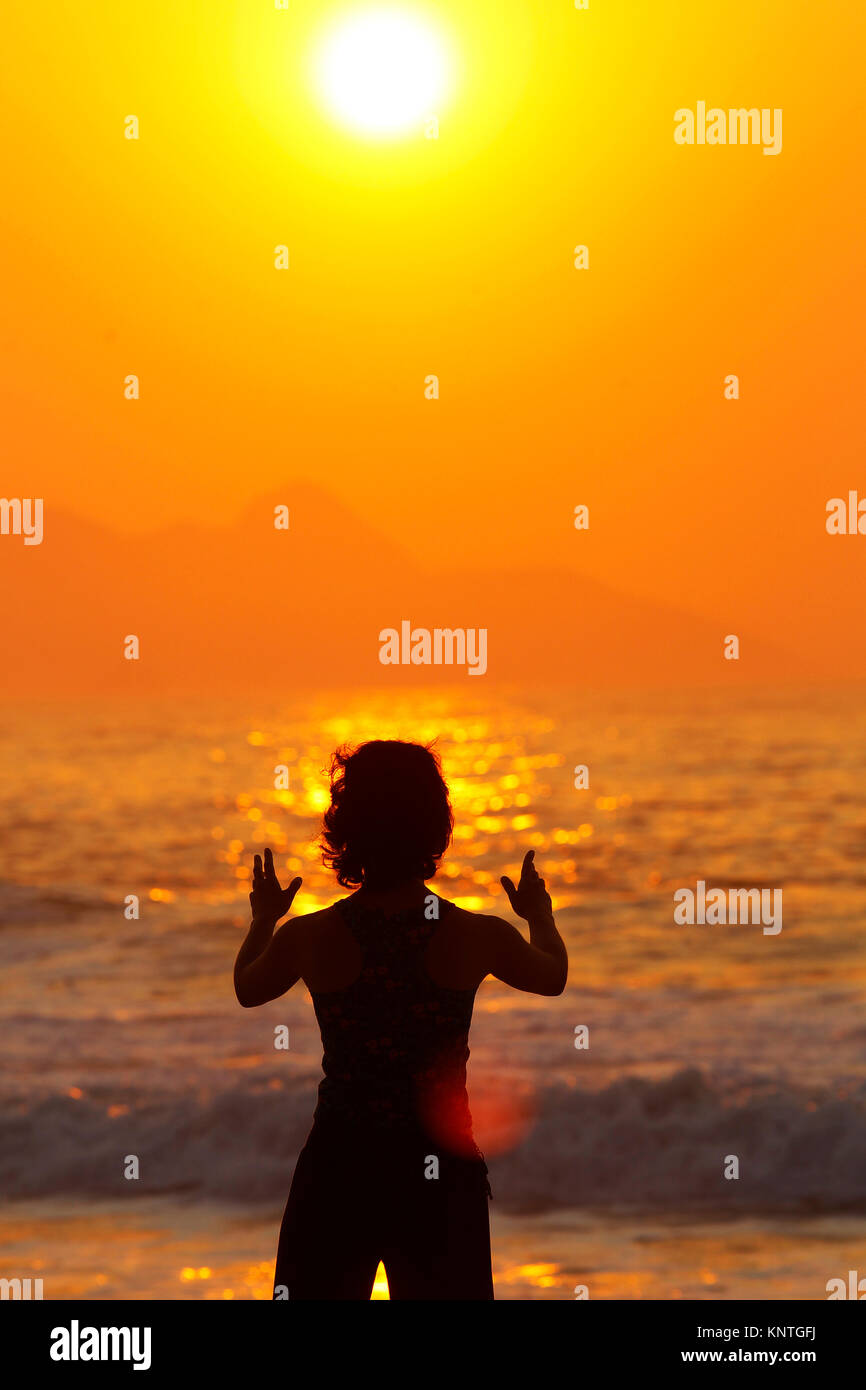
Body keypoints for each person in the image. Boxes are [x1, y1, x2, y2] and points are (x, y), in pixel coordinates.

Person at [233, 739, 568, 1300]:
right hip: (438, 1171)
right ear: (435, 825)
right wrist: (540, 915)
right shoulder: (475, 934)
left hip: (341, 1167)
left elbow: (247, 988)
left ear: (347, 827)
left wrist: (264, 919)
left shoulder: (310, 936)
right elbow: (552, 975)